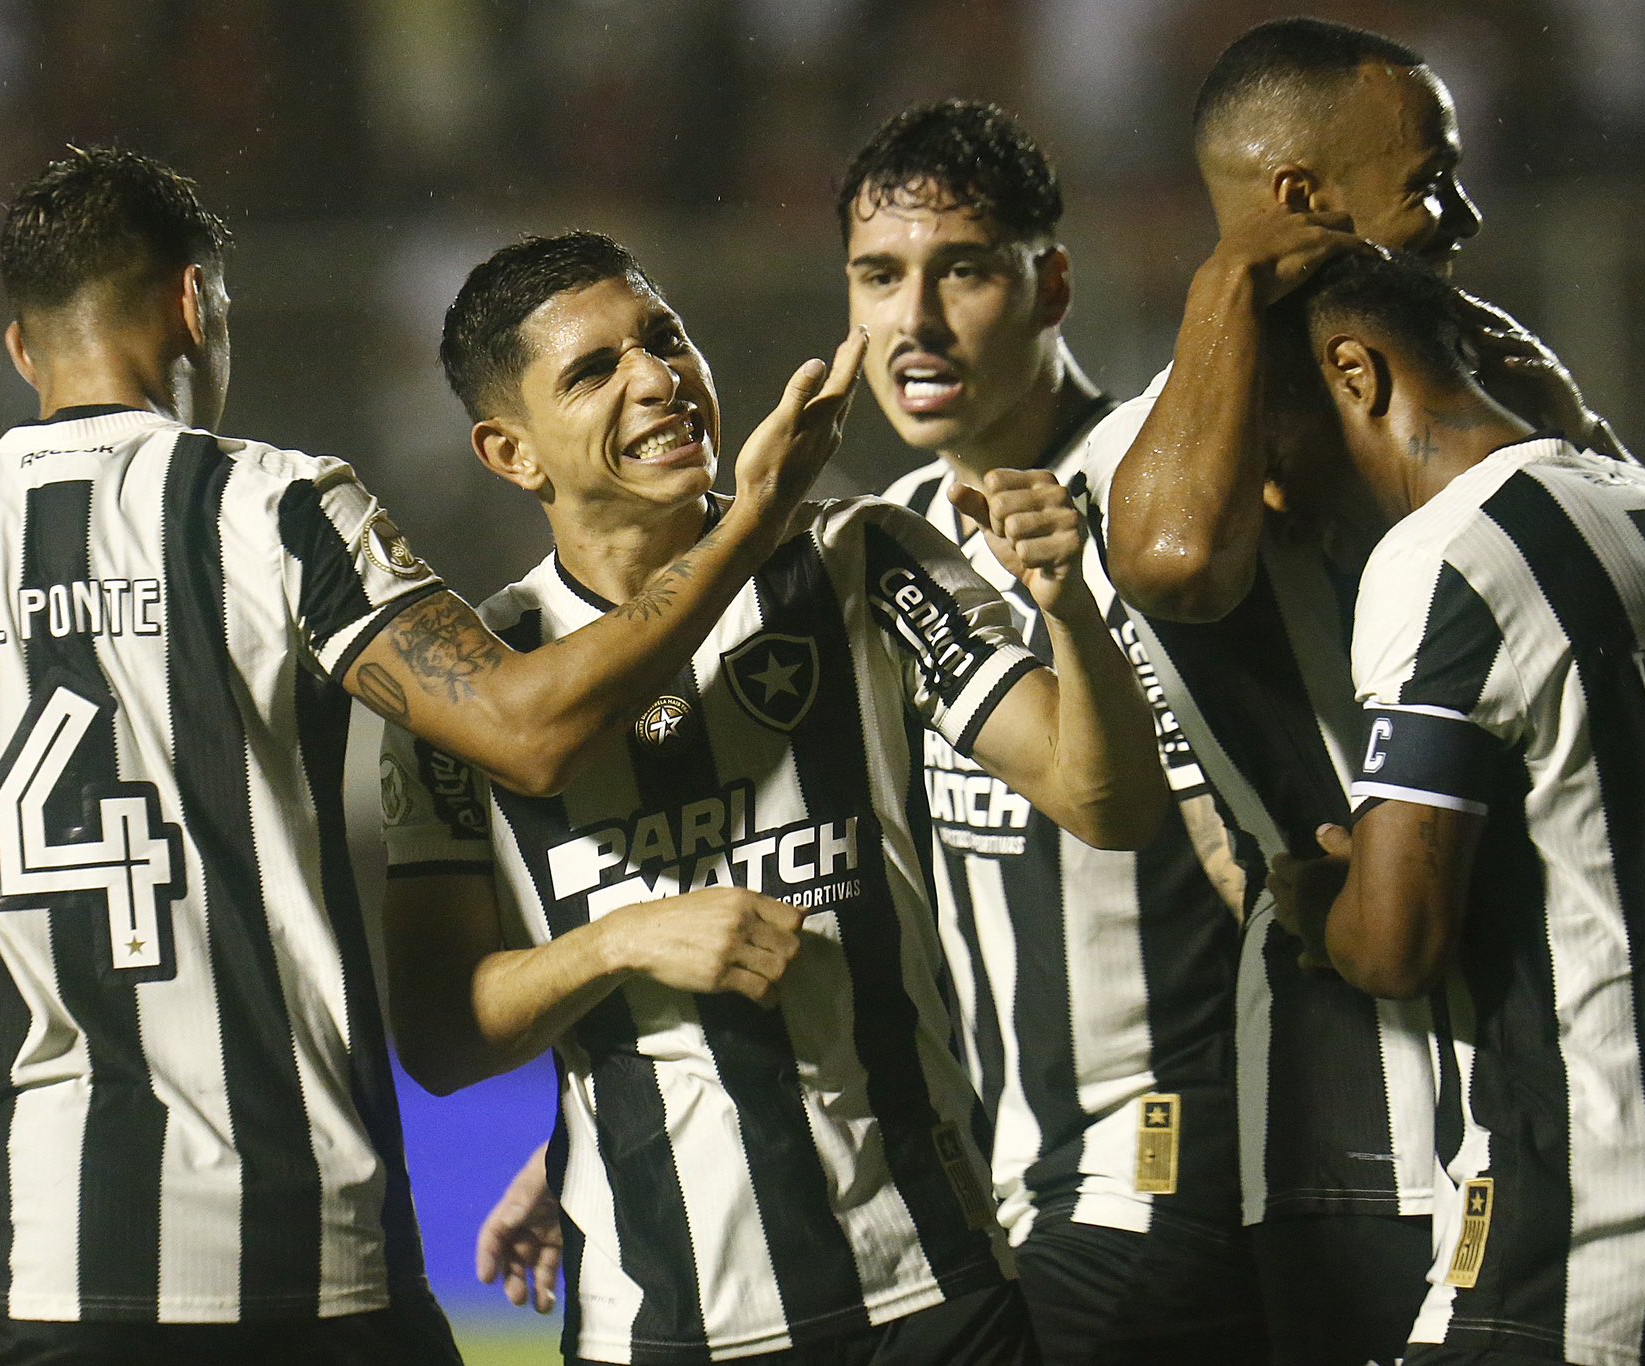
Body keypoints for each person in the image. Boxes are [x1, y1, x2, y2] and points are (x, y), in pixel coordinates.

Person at [0, 147, 861, 1366]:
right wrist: (751, 524)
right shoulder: (276, 509)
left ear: (23, 350)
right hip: (296, 1258)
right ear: (199, 304)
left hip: (26, 1260)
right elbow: (527, 729)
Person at [381, 229, 1170, 1365]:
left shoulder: (854, 558)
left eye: (662, 338)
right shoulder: (476, 684)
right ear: (510, 452)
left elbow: (1108, 804)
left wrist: (1068, 609)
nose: (657, 377)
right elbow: (444, 1036)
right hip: (663, 1325)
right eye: (593, 370)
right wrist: (620, 942)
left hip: (931, 1283)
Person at [1068, 18, 1620, 1364]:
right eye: (1430, 176)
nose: (1463, 212)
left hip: (1551, 1059)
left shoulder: (1467, 393)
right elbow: (1178, 560)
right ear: (1302, 206)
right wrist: (1230, 280)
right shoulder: (1185, 442)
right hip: (1358, 1097)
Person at [1267, 248, 1645, 1366]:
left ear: (1352, 375)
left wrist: (1321, 899)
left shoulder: (1442, 558)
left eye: (1269, 433)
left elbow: (1397, 941)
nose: (1265, 489)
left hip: (1579, 1246)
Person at [833, 99, 1262, 1364]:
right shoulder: (892, 531)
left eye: (960, 270)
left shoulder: (1162, 495)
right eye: (877, 276)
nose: (912, 321)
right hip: (999, 1187)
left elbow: (1260, 837)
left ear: (1049, 282)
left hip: (1172, 1170)